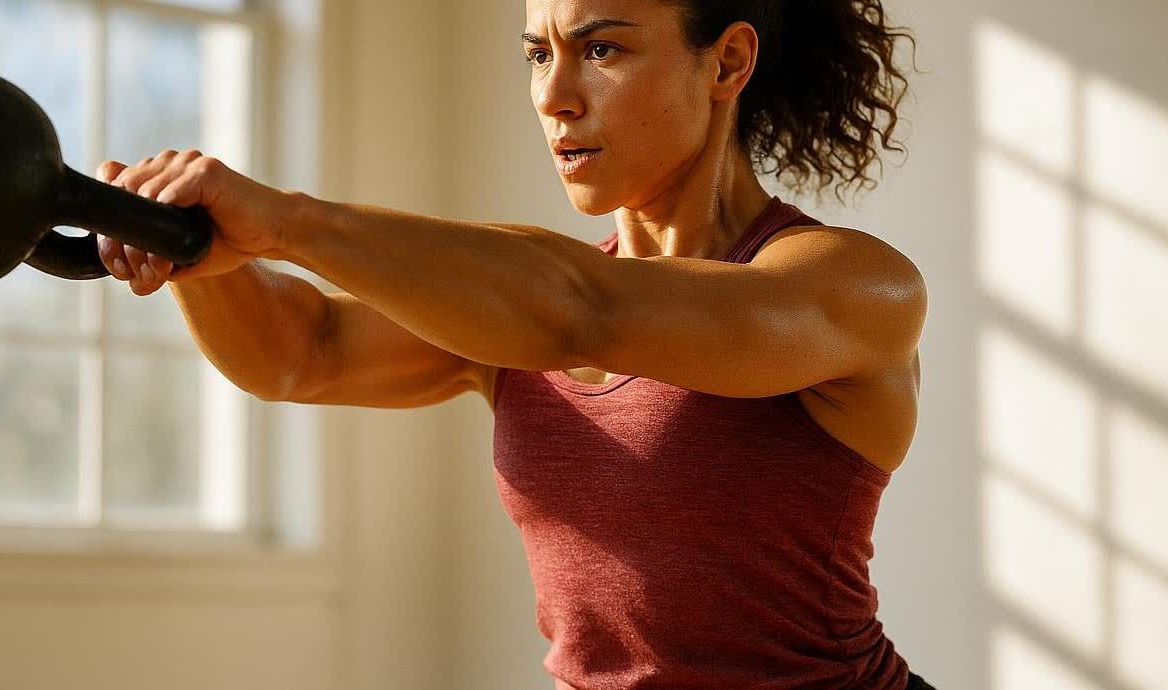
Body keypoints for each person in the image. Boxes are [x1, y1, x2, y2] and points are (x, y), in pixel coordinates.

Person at [94, 0, 929, 687]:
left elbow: (587, 315)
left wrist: (285, 221)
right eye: (537, 54)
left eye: (601, 49)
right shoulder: (512, 299)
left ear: (727, 63)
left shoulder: (851, 286)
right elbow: (300, 350)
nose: (554, 95)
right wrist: (191, 249)